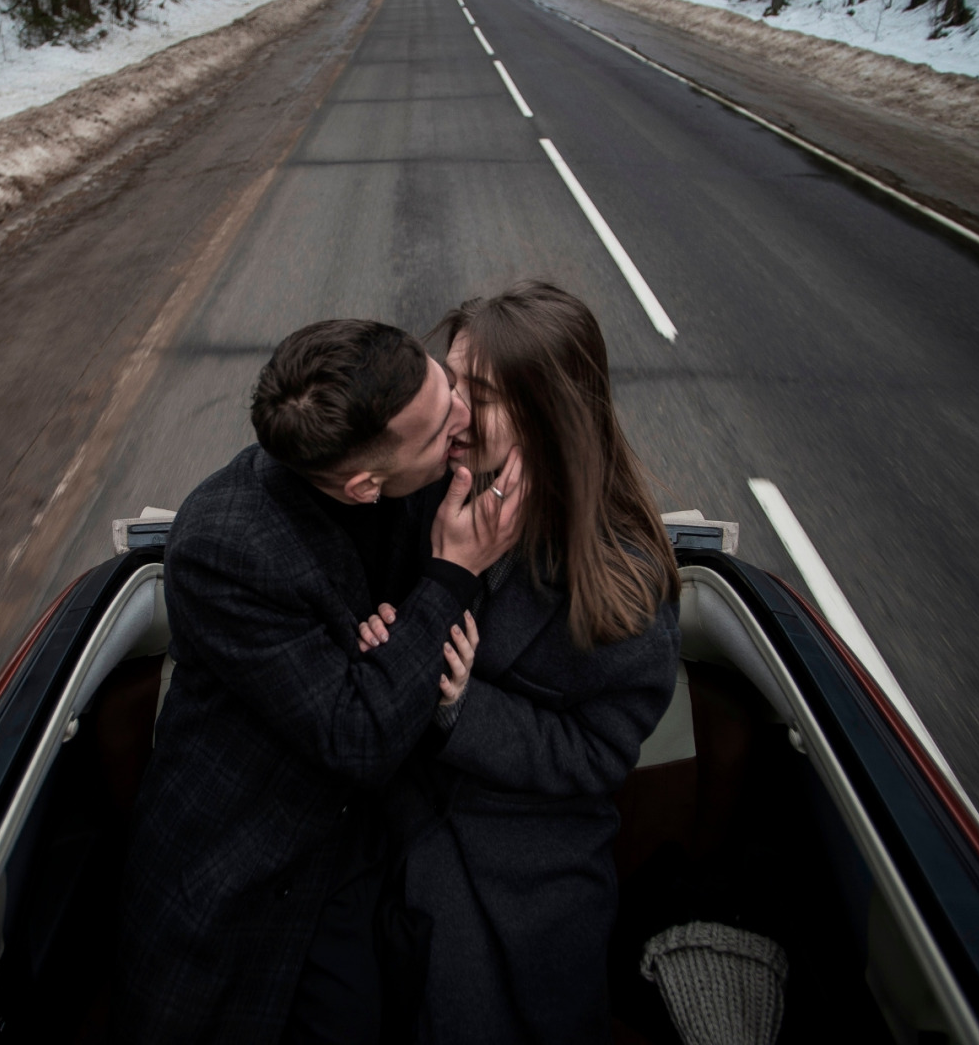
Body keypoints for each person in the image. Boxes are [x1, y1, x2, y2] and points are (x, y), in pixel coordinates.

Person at [116, 319, 526, 1044]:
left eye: (448, 385)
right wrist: (450, 578)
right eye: (439, 428)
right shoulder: (223, 545)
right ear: (365, 485)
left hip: (358, 853)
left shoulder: (415, 468)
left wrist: (399, 649)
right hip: (238, 864)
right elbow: (359, 736)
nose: (460, 417)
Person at [364, 281, 682, 1043]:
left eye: (480, 396)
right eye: (452, 384)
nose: (452, 415)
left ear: (549, 415)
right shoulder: (420, 495)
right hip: (393, 836)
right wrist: (383, 633)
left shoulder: (623, 583)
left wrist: (465, 706)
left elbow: (598, 754)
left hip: (536, 875)